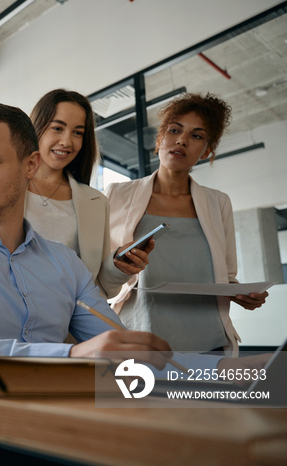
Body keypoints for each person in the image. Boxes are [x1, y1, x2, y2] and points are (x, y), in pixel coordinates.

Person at [0, 90, 150, 298]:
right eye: (57, 128)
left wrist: (119, 266)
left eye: (77, 133)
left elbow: (98, 287)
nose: (66, 141)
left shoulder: (96, 202)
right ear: (37, 128)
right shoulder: (3, 187)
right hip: (5, 314)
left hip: (68, 326)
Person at [106, 93, 268, 356]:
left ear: (206, 151)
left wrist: (243, 297)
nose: (181, 140)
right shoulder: (118, 194)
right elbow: (102, 269)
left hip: (209, 342)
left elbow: (226, 277)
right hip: (140, 336)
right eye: (174, 130)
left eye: (196, 135)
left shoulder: (218, 202)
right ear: (160, 139)